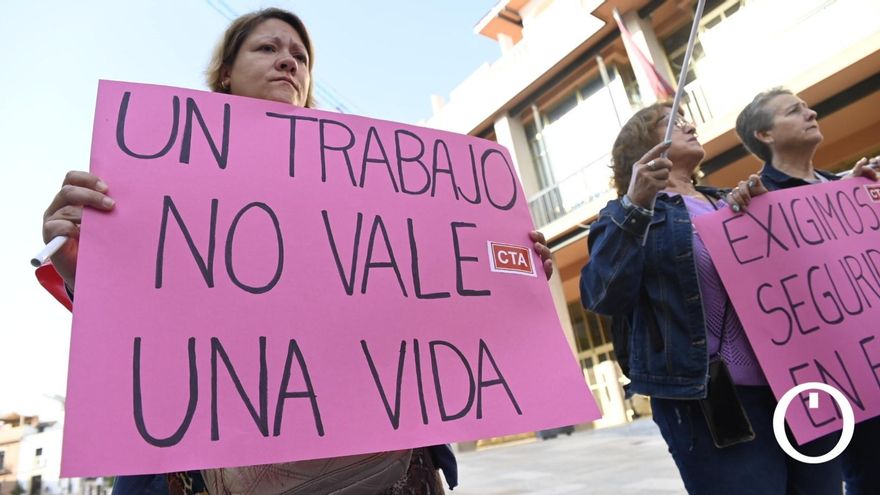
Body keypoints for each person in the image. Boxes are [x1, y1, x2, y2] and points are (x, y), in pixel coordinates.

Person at [37, 8, 554, 495]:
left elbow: (426, 296)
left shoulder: (370, 183)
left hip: (388, 469)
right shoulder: (157, 176)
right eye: (267, 48)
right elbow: (147, 329)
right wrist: (87, 272)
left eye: (300, 57)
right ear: (225, 73)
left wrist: (509, 278)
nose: (289, 61)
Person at [579, 102, 843, 494]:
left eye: (688, 119)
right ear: (643, 149)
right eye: (671, 122)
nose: (689, 126)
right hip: (715, 402)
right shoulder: (624, 215)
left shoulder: (731, 200)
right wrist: (635, 206)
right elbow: (601, 295)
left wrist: (788, 208)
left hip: (797, 386)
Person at [736, 87, 880, 495]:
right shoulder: (754, 202)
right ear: (765, 135)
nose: (811, 113)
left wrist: (863, 194)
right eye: (794, 111)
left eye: (807, 107)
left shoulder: (848, 189)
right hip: (832, 376)